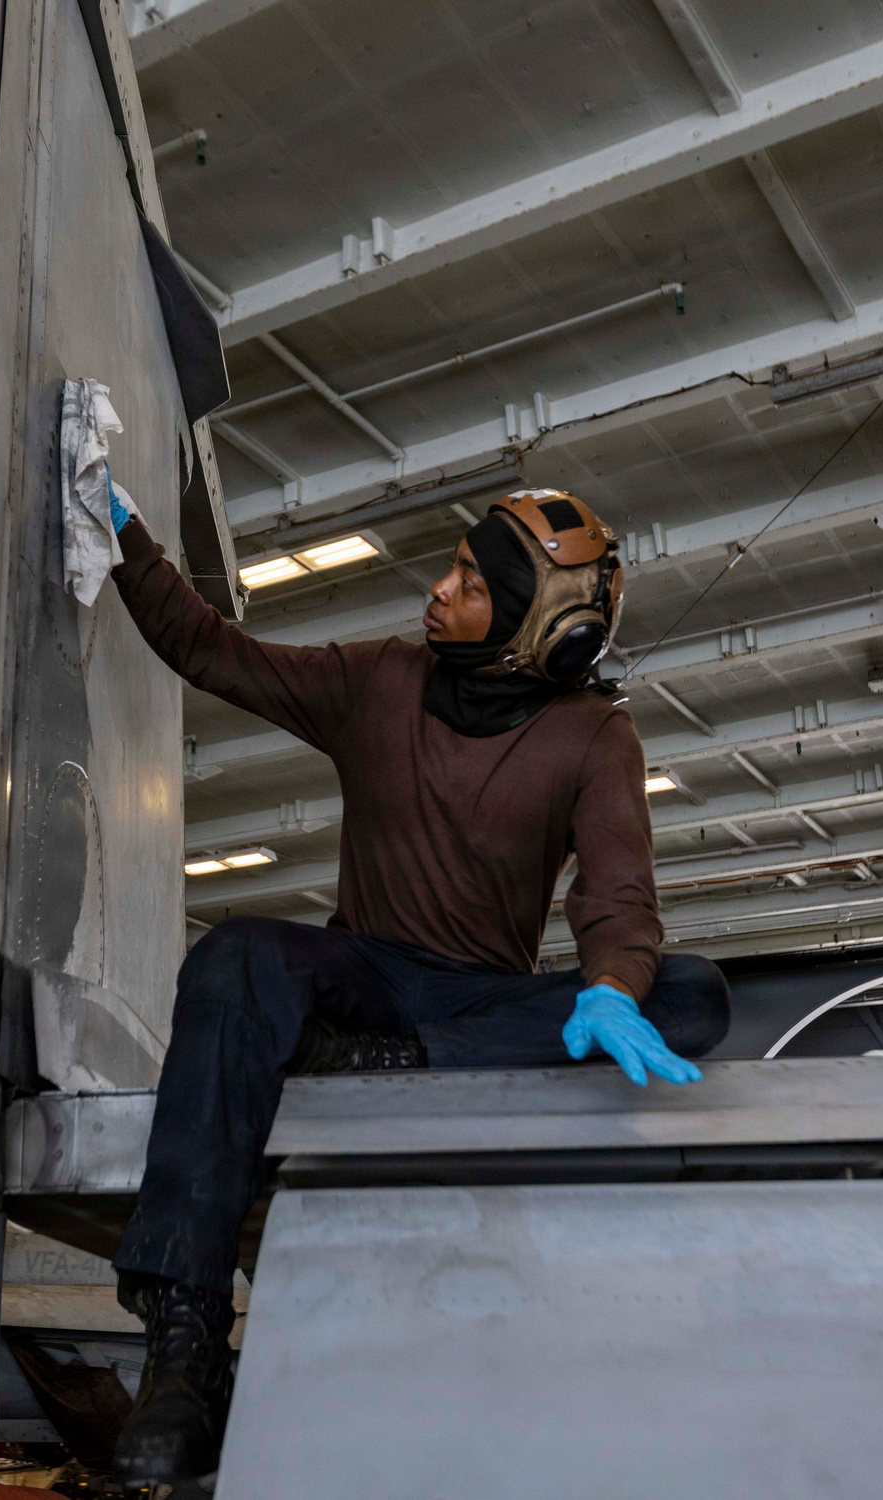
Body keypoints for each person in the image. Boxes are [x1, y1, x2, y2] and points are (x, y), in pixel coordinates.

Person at [104, 481, 730, 1488]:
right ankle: (183, 1347)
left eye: (471, 584)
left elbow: (619, 900)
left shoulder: (590, 737)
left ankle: (394, 1065)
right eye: (452, 566)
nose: (437, 592)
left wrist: (613, 983)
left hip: (484, 1000)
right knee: (235, 956)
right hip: (367, 978)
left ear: (547, 631)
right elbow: (209, 648)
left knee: (690, 993)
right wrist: (121, 529)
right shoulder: (378, 682)